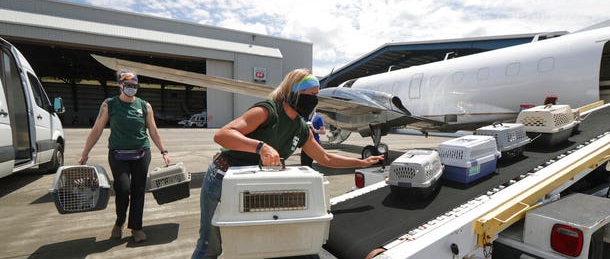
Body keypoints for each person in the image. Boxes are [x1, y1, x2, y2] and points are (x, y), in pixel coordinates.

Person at [192, 69, 384, 258]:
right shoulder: (267, 111)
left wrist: (361, 162)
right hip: (223, 178)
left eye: (316, 95)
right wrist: (261, 147)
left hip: (253, 188)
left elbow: (325, 158)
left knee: (254, 243)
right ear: (292, 93)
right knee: (210, 246)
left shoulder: (300, 128)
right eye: (309, 95)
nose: (313, 100)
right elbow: (223, 135)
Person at [78, 71, 171, 243]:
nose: (132, 89)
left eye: (135, 86)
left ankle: (136, 227)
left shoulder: (145, 106)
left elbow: (153, 130)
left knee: (138, 191)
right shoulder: (109, 105)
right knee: (122, 189)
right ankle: (119, 222)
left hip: (141, 154)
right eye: (128, 85)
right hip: (118, 155)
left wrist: (163, 151)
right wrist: (85, 152)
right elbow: (97, 129)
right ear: (120, 85)